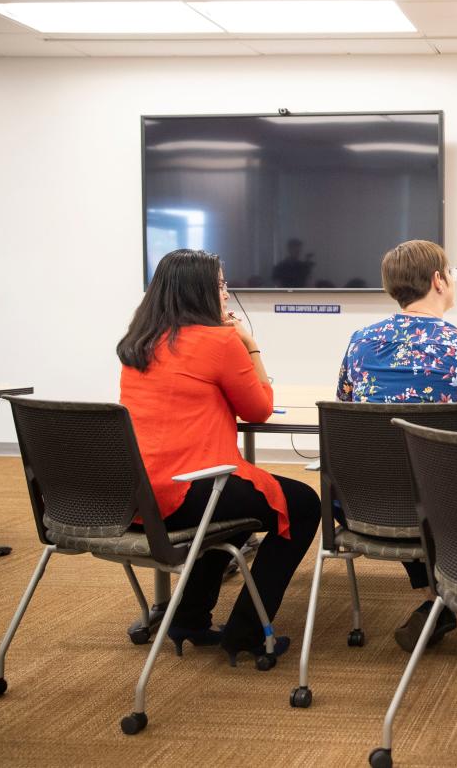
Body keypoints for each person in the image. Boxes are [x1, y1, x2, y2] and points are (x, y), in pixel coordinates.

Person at [117, 249, 320, 665]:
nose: (227, 293)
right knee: (302, 505)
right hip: (186, 492)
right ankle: (246, 631)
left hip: (134, 495)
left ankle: (189, 616)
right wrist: (250, 344)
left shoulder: (138, 344)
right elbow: (260, 408)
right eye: (222, 285)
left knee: (232, 506)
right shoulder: (221, 340)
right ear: (202, 292)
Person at [336, 239, 457, 651]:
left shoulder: (361, 342)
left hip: (369, 503)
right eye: (451, 273)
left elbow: (349, 409)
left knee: (400, 467)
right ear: (438, 280)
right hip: (449, 506)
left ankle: (437, 598)